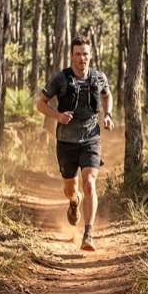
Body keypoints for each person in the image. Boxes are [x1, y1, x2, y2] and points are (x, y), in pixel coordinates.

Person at [35, 36, 114, 251]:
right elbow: (40, 104)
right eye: (78, 54)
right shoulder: (60, 79)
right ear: (72, 55)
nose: (82, 58)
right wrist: (57, 116)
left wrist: (108, 115)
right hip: (66, 142)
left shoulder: (98, 77)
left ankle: (88, 234)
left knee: (89, 183)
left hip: (91, 139)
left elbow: (107, 95)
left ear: (91, 55)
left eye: (85, 54)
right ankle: (74, 201)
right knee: (70, 189)